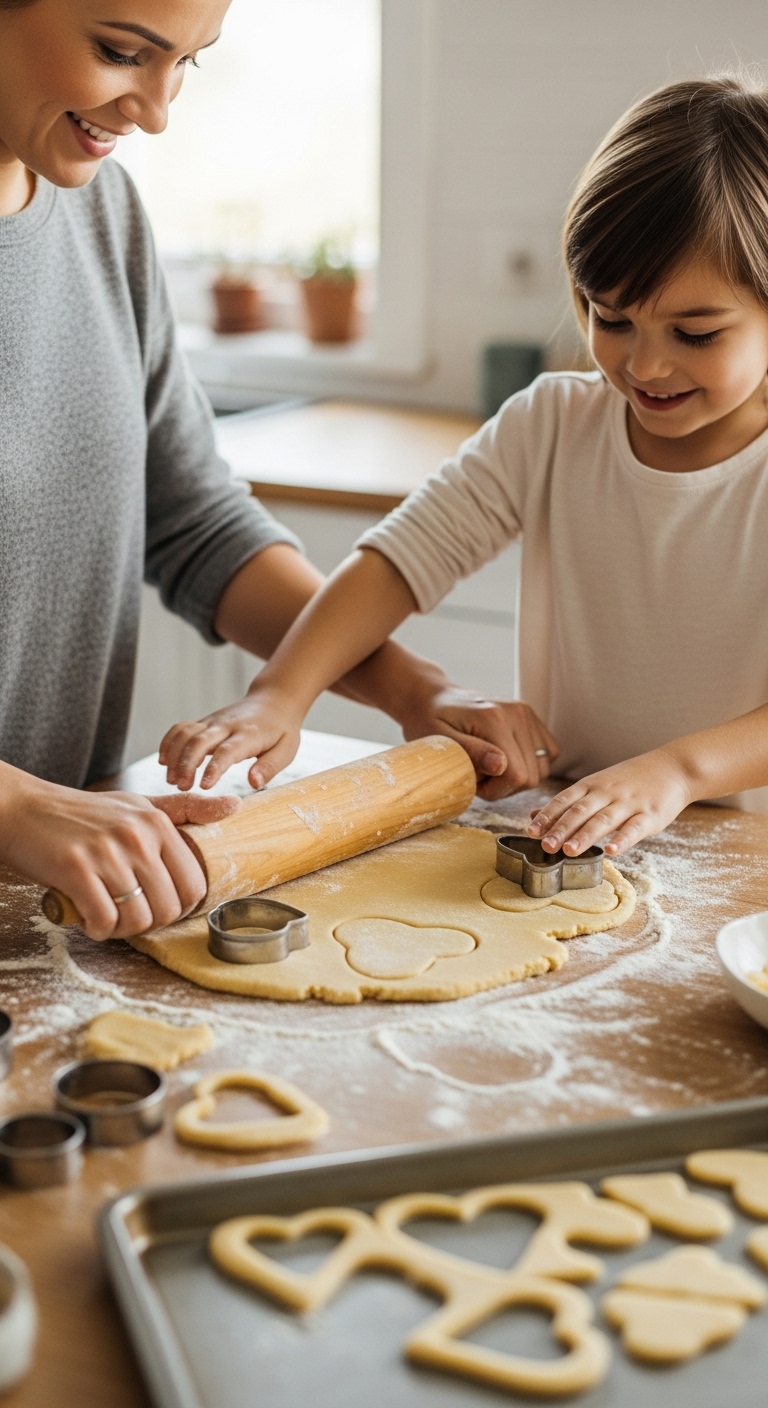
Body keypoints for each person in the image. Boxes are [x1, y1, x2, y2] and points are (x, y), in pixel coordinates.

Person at [0, 0, 552, 942]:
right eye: (122, 53)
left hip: (51, 900)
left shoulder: (102, 212)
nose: (158, 109)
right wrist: (13, 807)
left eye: (190, 64)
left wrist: (409, 688)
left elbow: (194, 524)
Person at [163, 74, 768, 863]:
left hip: (747, 853)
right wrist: (283, 691)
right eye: (610, 317)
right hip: (573, 830)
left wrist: (678, 772)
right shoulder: (553, 424)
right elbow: (399, 561)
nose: (644, 364)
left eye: (695, 334)